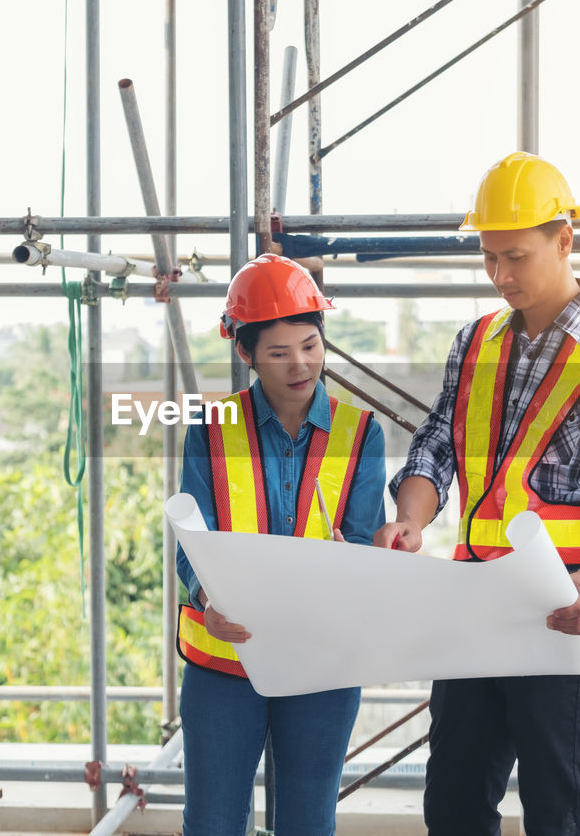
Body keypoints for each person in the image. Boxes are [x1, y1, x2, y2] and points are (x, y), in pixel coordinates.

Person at [374, 152, 580, 836]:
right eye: (488, 258)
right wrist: (410, 519)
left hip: (564, 602)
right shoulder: (475, 341)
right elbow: (435, 448)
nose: (501, 276)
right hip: (474, 598)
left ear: (565, 241)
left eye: (516, 256)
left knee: (559, 814)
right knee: (451, 806)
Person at [175, 253, 387, 836]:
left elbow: (367, 541)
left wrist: (359, 561)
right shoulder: (211, 430)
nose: (300, 364)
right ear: (245, 353)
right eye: (278, 351)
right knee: (213, 822)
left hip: (322, 660)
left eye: (311, 345)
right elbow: (190, 542)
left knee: (308, 822)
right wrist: (205, 600)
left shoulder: (361, 433)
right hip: (224, 658)